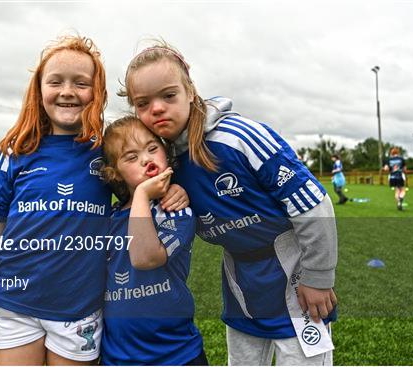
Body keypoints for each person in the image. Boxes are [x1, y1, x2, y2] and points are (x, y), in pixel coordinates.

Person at [0, 35, 188, 366]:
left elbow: (140, 188)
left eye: (81, 83)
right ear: (39, 90)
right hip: (15, 306)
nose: (67, 91)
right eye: (56, 81)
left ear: (97, 93)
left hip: (79, 310)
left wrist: (172, 188)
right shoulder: (15, 151)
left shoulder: (106, 151)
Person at [121, 42, 338, 365]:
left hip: (296, 281)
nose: (157, 109)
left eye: (168, 95)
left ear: (190, 90)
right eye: (143, 103)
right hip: (241, 287)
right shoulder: (167, 162)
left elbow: (314, 205)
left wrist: (318, 278)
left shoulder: (238, 138)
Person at [100, 116, 206, 366]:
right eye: (131, 157)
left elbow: (145, 257)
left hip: (178, 355)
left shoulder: (176, 210)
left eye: (152, 148)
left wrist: (142, 194)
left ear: (166, 154)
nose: (146, 159)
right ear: (115, 173)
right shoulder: (109, 218)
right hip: (118, 358)